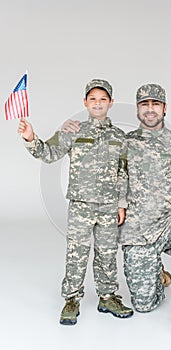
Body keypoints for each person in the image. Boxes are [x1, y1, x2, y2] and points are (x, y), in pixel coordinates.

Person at [62, 83, 171, 338]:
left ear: (164, 108)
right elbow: (95, 161)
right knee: (144, 305)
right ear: (138, 109)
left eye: (156, 104)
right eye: (144, 104)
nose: (150, 110)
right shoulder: (123, 143)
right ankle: (156, 271)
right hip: (137, 232)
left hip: (170, 224)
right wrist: (70, 129)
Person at [18, 78, 133, 326]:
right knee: (76, 253)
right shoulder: (73, 131)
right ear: (85, 103)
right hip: (81, 206)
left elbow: (123, 172)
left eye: (103, 99)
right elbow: (48, 154)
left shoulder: (119, 136)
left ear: (111, 103)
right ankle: (71, 299)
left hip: (108, 207)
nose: (98, 103)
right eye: (93, 99)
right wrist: (31, 138)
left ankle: (108, 296)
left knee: (107, 253)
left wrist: (122, 203)